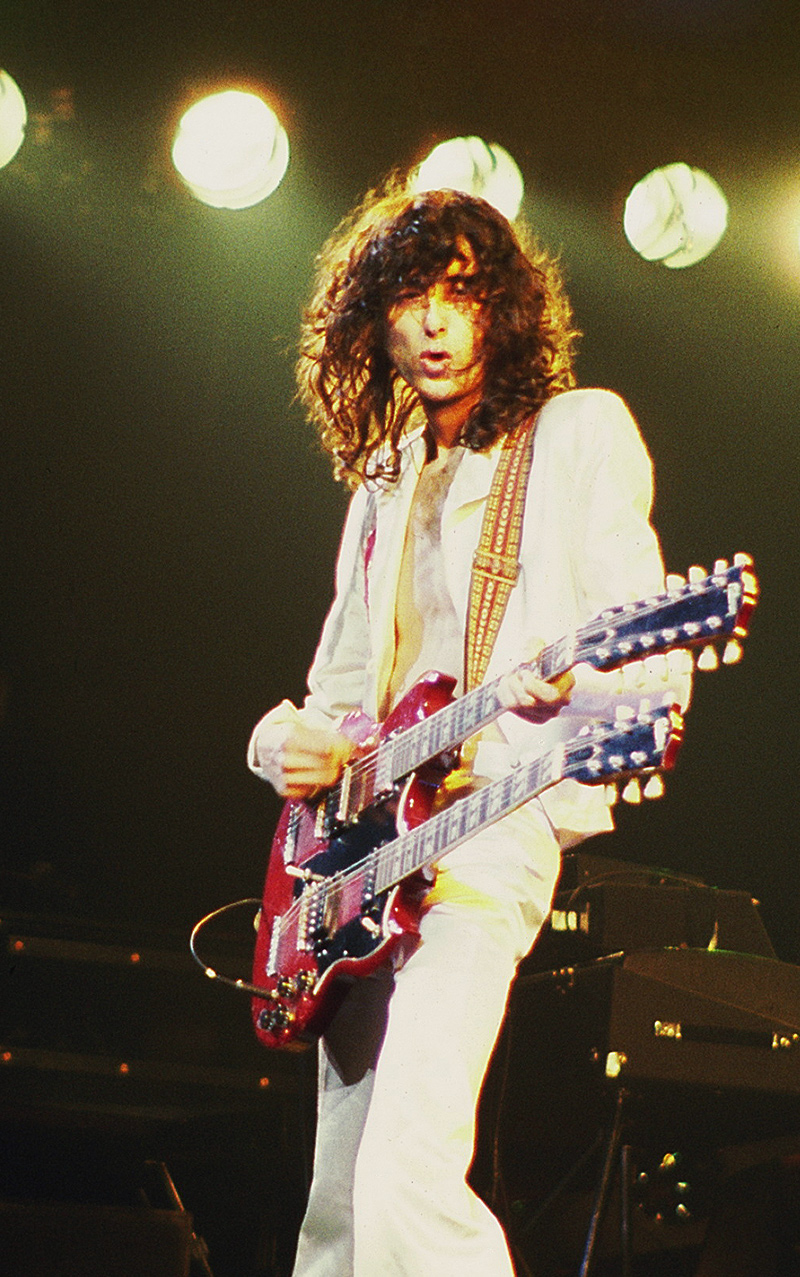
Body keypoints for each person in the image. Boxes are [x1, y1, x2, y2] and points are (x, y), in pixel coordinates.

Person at [247, 180, 691, 1277]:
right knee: (339, 1210)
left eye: (460, 293)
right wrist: (279, 743)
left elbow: (654, 667)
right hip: (359, 853)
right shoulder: (386, 469)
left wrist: (579, 682)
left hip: (492, 827)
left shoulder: (578, 431)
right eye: (409, 296)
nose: (435, 321)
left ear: (502, 309)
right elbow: (343, 680)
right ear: (373, 317)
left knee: (407, 1168)